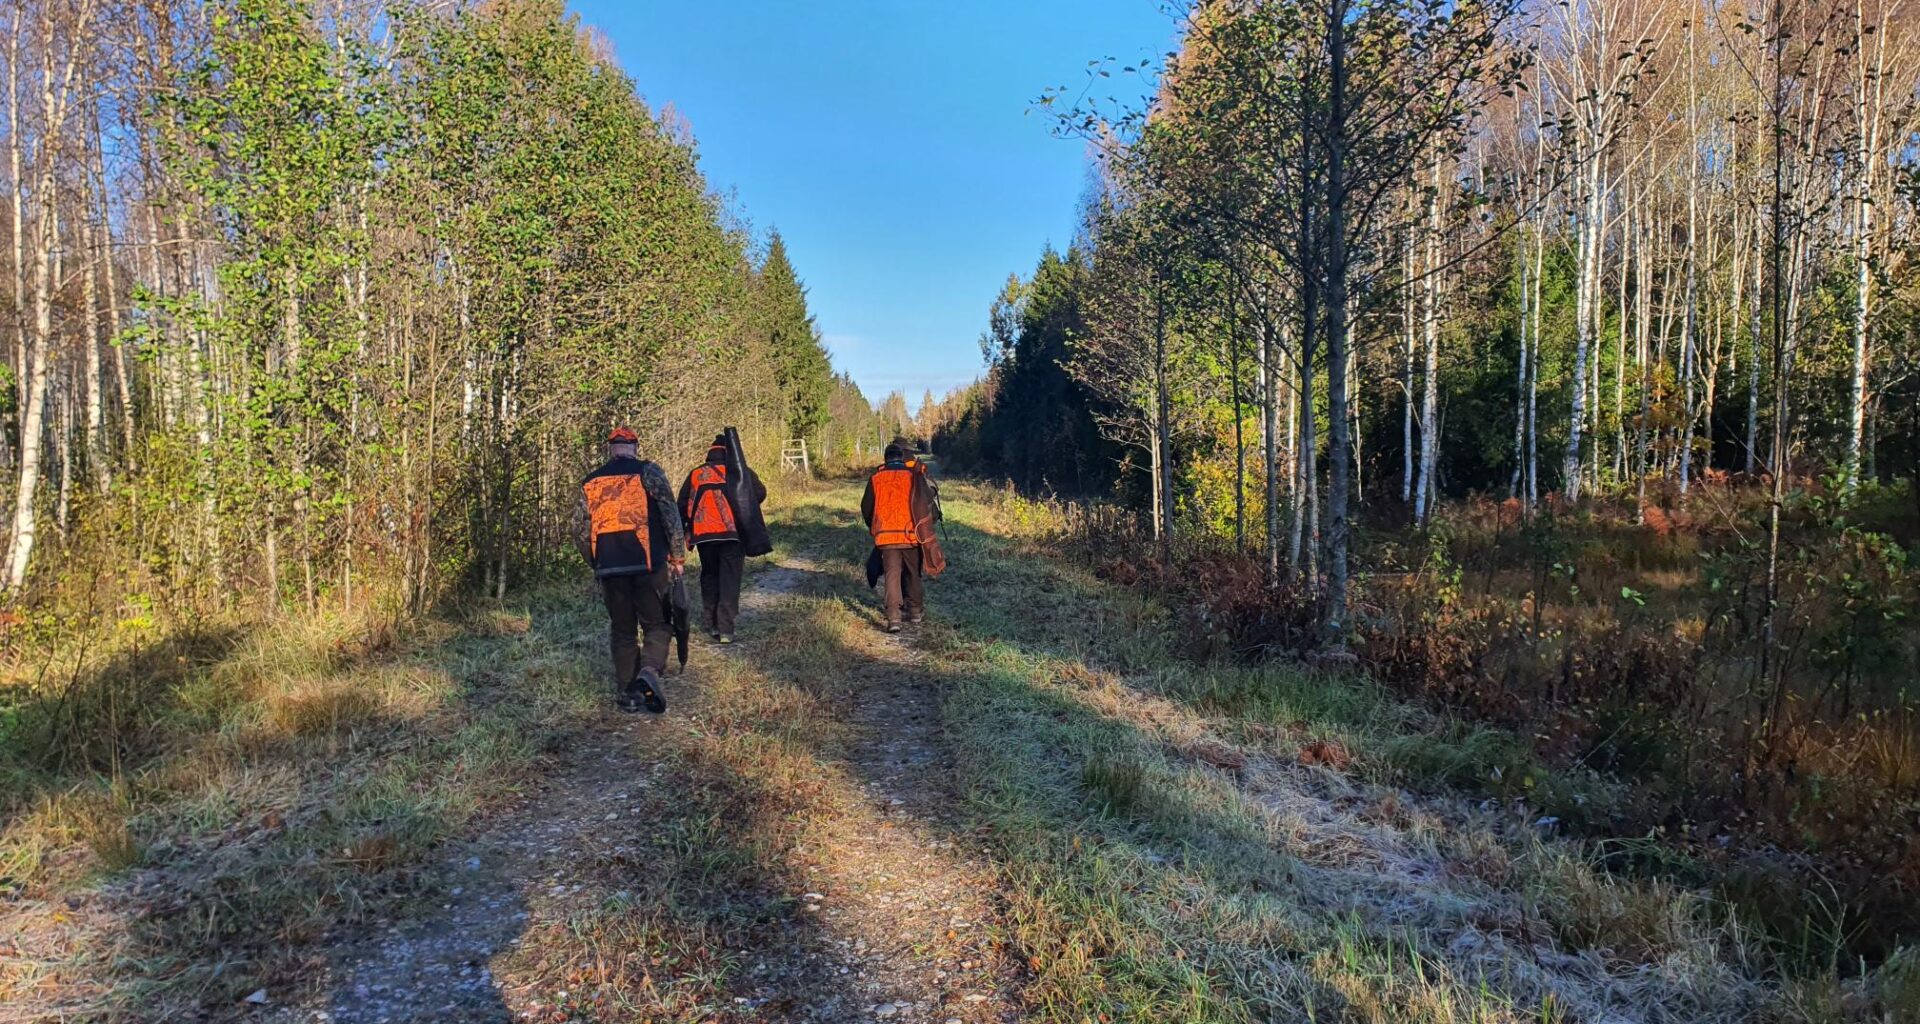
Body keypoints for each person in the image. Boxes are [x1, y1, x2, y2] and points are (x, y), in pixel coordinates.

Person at [573, 426, 686, 713]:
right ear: (635, 446)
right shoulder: (649, 472)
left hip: (610, 567)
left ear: (610, 448)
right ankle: (648, 672)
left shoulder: (590, 482)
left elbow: (579, 531)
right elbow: (670, 513)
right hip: (648, 565)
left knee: (622, 630)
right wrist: (677, 555)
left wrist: (596, 561)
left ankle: (628, 693)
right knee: (657, 623)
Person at [679, 433, 768, 644]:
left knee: (709, 576)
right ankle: (726, 629)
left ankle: (710, 624)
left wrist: (685, 529)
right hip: (732, 534)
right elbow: (760, 493)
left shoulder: (697, 474)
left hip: (703, 536)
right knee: (730, 579)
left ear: (710, 452)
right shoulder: (740, 472)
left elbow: (681, 504)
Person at [861, 442, 938, 633]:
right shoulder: (913, 477)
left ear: (885, 459)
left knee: (891, 575)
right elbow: (927, 501)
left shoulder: (876, 479)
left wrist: (874, 525)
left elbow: (866, 508)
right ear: (902, 458)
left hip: (886, 537)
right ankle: (915, 612)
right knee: (913, 573)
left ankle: (894, 618)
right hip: (911, 535)